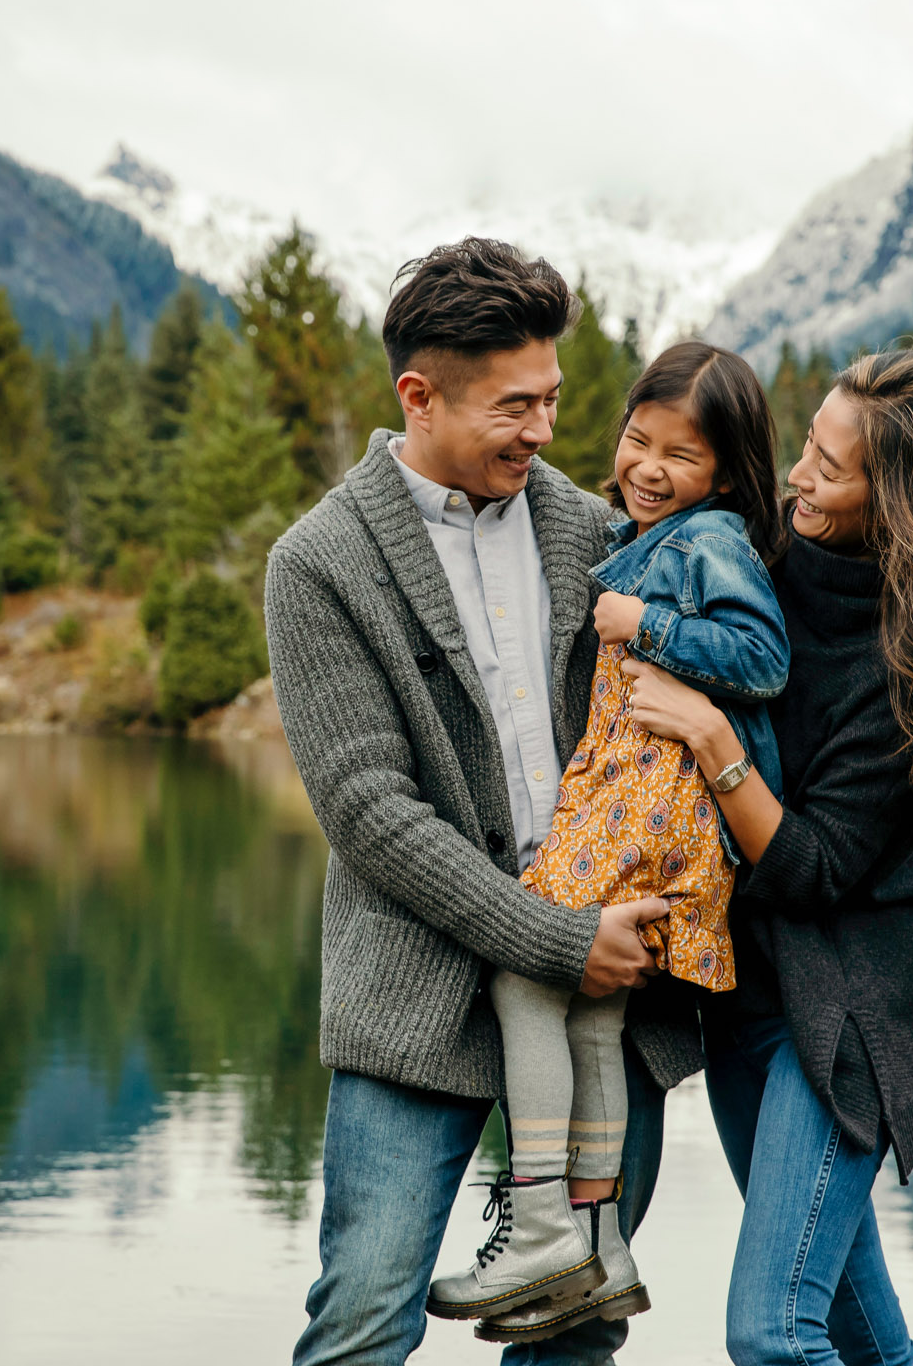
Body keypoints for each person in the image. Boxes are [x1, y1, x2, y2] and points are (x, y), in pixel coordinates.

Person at [265, 237, 699, 1366]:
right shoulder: (318, 563)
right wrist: (555, 939)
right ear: (419, 394)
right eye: (516, 407)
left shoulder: (598, 535)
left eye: (553, 400)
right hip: (414, 997)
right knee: (361, 1325)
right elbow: (369, 811)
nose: (546, 431)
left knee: (577, 1325)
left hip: (610, 994)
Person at [618, 349, 913, 1366]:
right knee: (863, 1339)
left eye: (829, 467)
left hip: (843, 1019)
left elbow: (811, 866)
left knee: (773, 1334)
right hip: (737, 1001)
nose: (799, 476)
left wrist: (714, 741)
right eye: (806, 446)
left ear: (895, 503)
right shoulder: (752, 554)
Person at [428, 341, 790, 1347]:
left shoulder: (704, 541)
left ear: (726, 473)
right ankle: (601, 1243)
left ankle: (542, 1217)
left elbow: (763, 658)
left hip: (651, 815)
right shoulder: (656, 533)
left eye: (682, 454)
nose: (648, 466)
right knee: (590, 1011)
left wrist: (646, 623)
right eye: (638, 439)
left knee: (522, 977)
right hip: (635, 809)